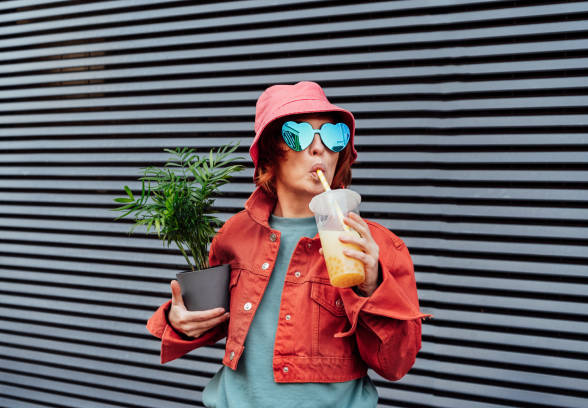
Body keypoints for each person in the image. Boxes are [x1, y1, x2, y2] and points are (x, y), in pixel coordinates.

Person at [146, 81, 430, 407]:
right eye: (300, 134)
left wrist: (372, 286)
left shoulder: (377, 247)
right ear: (269, 155)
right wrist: (179, 323)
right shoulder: (234, 234)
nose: (319, 148)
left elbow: (396, 364)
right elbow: (214, 319)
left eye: (333, 135)